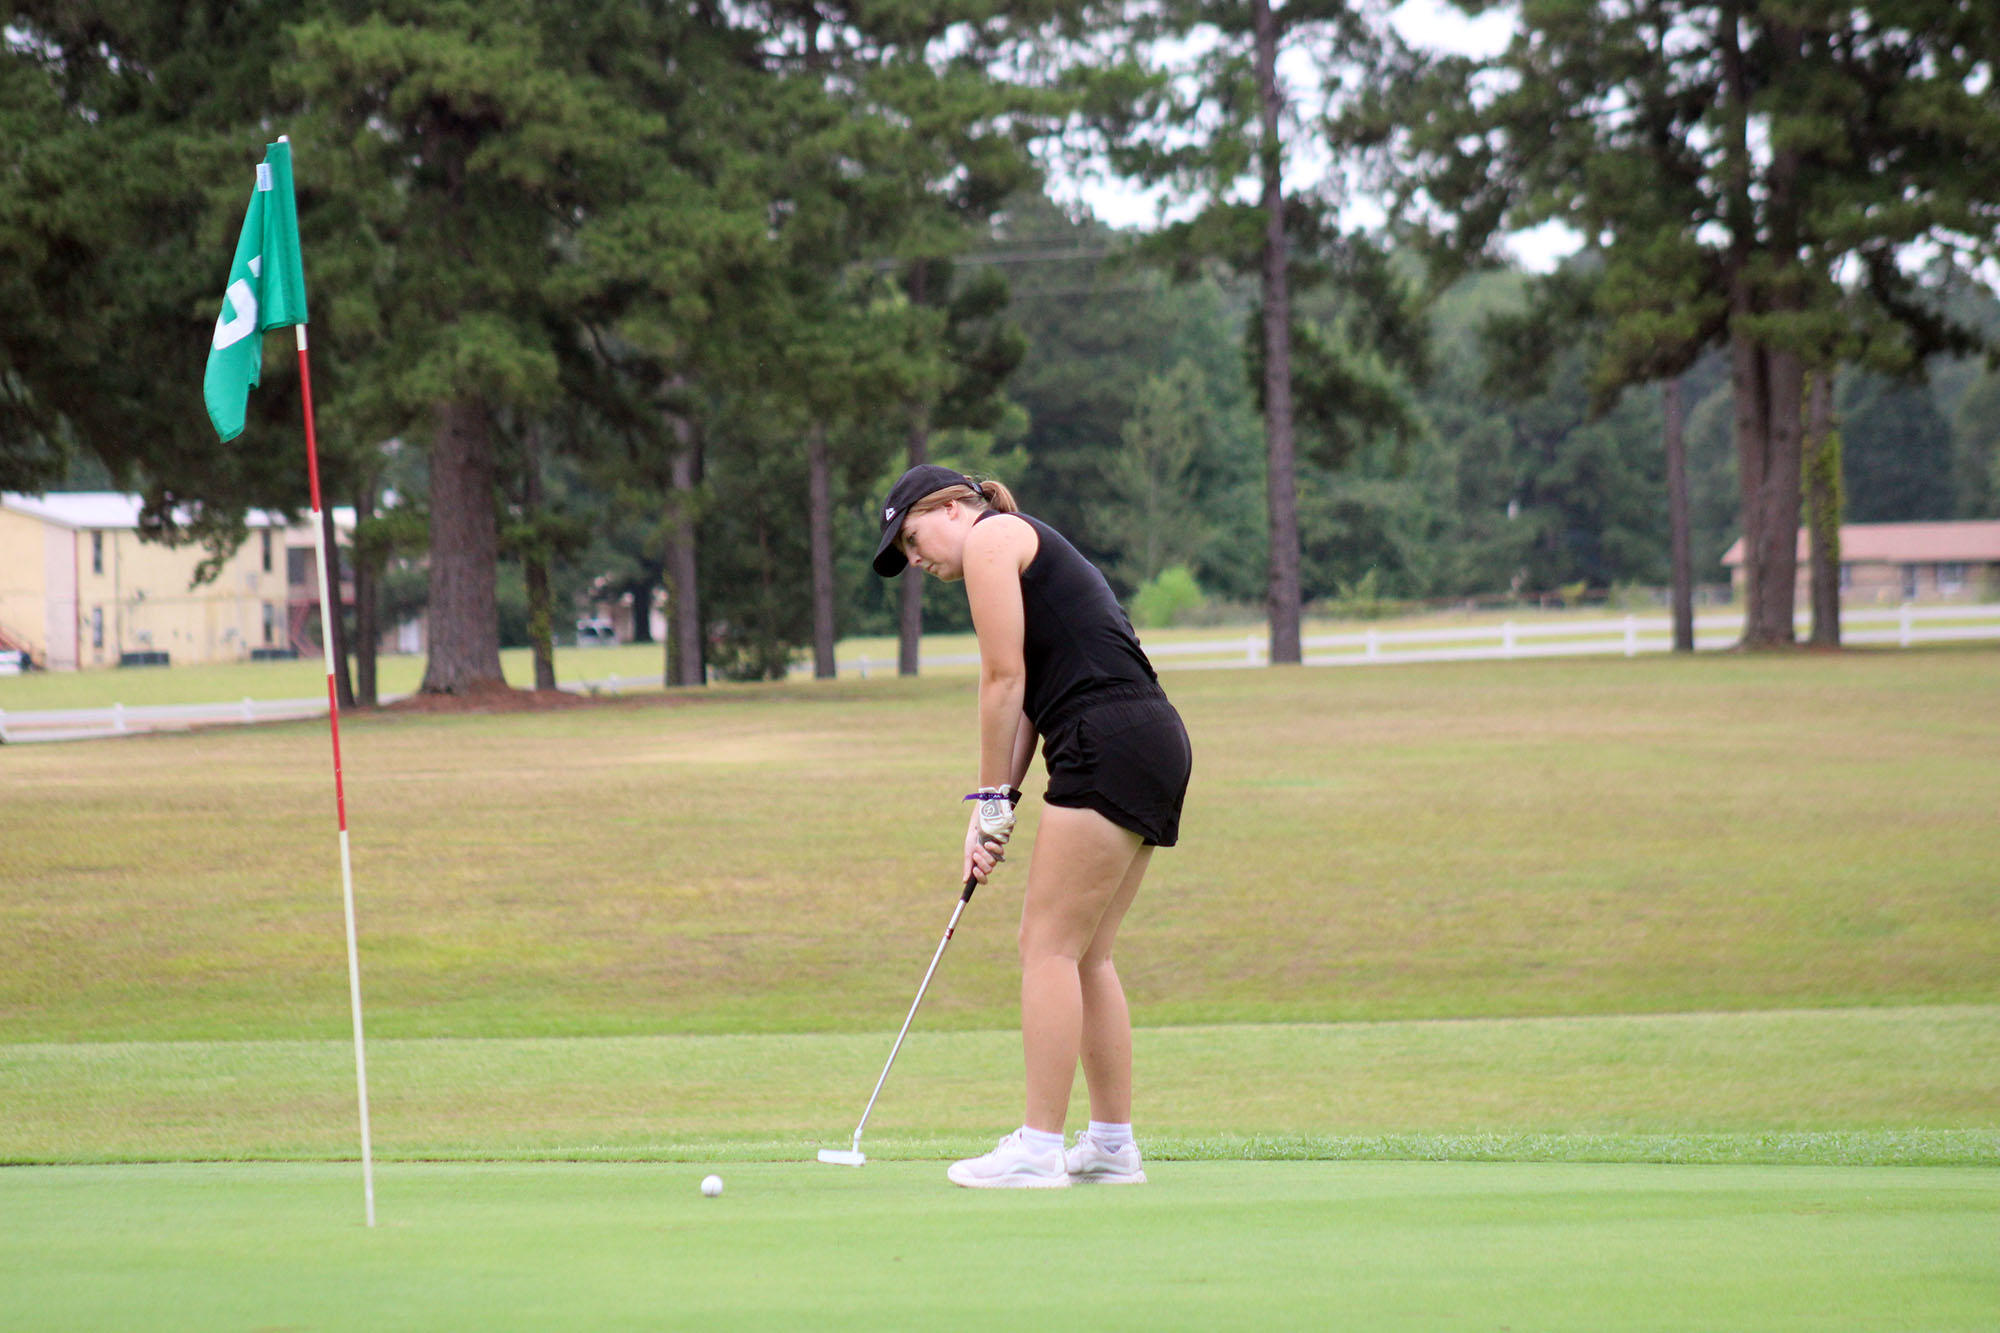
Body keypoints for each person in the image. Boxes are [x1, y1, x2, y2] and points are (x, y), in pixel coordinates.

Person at [871, 463, 1193, 1189]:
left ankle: (1040, 1146)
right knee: (1086, 952)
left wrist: (987, 800)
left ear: (951, 507)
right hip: (1148, 736)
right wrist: (997, 807)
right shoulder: (1016, 543)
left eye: (913, 539)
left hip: (1105, 737)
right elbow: (1026, 706)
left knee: (1044, 945)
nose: (915, 560)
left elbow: (1002, 679)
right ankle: (1111, 1145)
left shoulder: (991, 539)